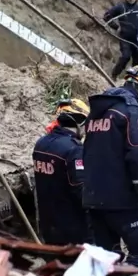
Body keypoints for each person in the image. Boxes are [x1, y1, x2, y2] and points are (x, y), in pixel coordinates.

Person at [82, 66, 138, 276]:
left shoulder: (98, 111)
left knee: (107, 254)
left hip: (93, 197)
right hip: (121, 199)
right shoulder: (133, 111)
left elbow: (87, 151)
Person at [33, 99, 90, 247]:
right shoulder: (74, 149)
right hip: (72, 229)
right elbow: (81, 191)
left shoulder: (40, 143)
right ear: (79, 123)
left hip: (48, 225)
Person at [104, 0, 138, 79]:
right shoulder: (121, 7)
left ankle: (134, 80)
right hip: (124, 38)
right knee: (126, 56)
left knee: (137, 61)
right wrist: (116, 27)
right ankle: (114, 75)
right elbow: (106, 16)